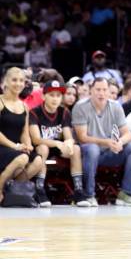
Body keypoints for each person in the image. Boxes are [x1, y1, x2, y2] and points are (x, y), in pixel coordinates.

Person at [73, 77, 131, 207]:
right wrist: (106, 142)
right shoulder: (81, 107)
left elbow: (128, 133)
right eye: (98, 89)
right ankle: (89, 195)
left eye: (104, 89)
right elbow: (82, 137)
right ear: (91, 91)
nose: (101, 93)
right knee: (92, 149)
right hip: (87, 153)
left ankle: (126, 194)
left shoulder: (115, 106)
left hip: (110, 152)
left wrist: (120, 142)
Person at [29, 81, 89, 207]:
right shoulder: (34, 112)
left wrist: (69, 143)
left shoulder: (64, 112)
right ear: (44, 96)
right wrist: (57, 143)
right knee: (43, 148)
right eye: (52, 95)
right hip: (40, 147)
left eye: (58, 95)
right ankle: (39, 190)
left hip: (57, 146)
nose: (55, 99)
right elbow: (36, 139)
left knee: (76, 149)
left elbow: (68, 136)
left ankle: (78, 190)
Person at [0, 67, 44, 205]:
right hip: (3, 147)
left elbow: (24, 133)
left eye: (21, 81)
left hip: (16, 149)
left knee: (37, 161)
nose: (18, 84)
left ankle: (10, 190)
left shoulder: (24, 106)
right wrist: (16, 146)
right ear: (5, 82)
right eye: (14, 80)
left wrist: (28, 145)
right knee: (22, 158)